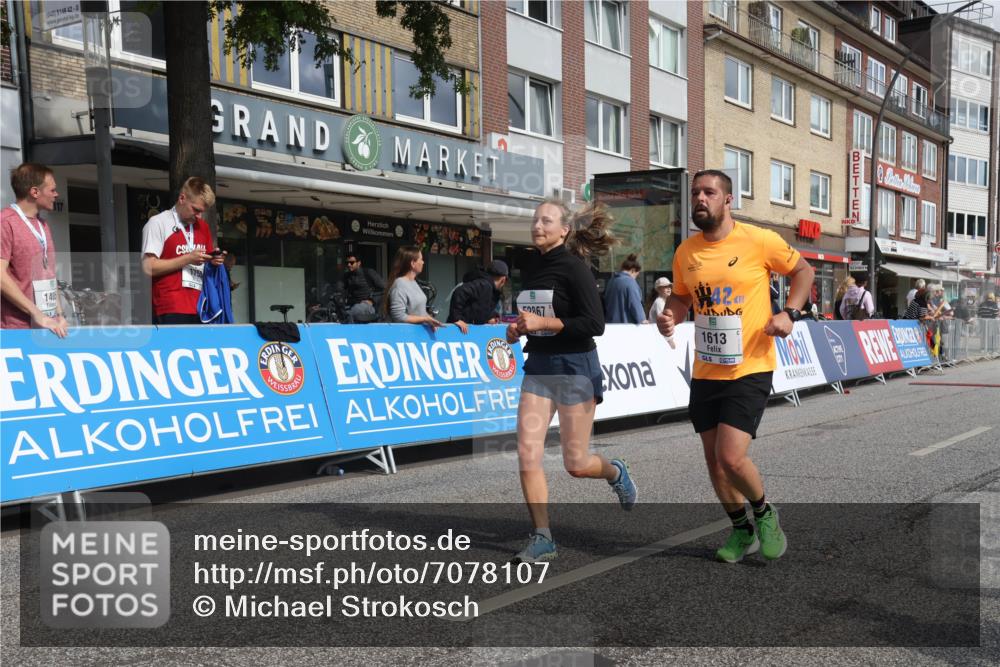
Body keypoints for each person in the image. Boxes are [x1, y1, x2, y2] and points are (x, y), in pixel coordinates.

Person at [656, 170, 814, 563]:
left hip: (751, 365)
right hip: (706, 369)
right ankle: (741, 530)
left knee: (730, 457)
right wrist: (670, 317)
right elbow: (680, 298)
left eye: (709, 192)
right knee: (714, 463)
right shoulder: (685, 252)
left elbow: (804, 271)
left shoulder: (758, 240)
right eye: (696, 192)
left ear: (728, 199)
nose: (700, 198)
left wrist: (790, 312)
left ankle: (764, 513)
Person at [508, 199, 637, 563]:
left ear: (564, 229)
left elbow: (594, 324)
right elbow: (536, 317)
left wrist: (543, 325)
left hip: (575, 366)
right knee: (527, 452)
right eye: (534, 219)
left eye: (546, 220)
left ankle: (615, 471)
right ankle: (543, 537)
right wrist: (517, 330)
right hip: (539, 367)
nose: (537, 225)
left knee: (576, 463)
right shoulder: (532, 266)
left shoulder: (575, 268)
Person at [141, 177, 226, 324]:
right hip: (170, 306)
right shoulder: (158, 222)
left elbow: (204, 263)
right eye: (196, 210)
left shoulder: (203, 227)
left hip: (201, 306)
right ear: (182, 198)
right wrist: (187, 259)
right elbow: (148, 267)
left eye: (202, 212)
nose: (199, 216)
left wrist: (214, 260)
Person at [1, 163, 68, 337]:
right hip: (17, 330)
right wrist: (37, 314)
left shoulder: (42, 225)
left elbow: (49, 275)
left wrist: (59, 314)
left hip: (48, 327)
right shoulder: (5, 222)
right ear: (35, 192)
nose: (56, 194)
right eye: (52, 190)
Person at [384, 246, 444, 330]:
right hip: (405, 337)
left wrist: (430, 321)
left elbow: (420, 312)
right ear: (413, 263)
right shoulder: (400, 284)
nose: (423, 262)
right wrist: (425, 319)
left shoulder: (414, 282)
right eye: (421, 259)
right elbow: (398, 316)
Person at [447, 259, 508, 329]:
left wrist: (490, 317)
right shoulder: (484, 285)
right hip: (458, 330)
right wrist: (457, 319)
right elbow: (459, 292)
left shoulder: (487, 287)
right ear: (503, 279)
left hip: (465, 330)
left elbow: (478, 309)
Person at [340, 253, 385, 323]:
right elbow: (341, 290)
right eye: (347, 263)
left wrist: (372, 300)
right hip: (352, 305)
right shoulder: (347, 276)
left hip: (368, 306)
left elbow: (384, 288)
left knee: (353, 312)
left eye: (352, 263)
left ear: (359, 263)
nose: (349, 265)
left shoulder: (368, 272)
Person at [603, 253, 645, 324]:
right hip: (626, 327)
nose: (635, 278)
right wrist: (642, 320)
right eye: (636, 275)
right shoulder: (630, 282)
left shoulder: (611, 281)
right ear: (632, 270)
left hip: (610, 325)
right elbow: (635, 304)